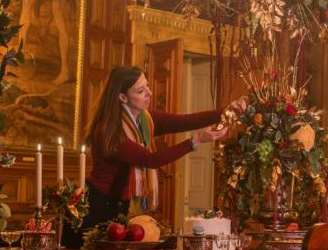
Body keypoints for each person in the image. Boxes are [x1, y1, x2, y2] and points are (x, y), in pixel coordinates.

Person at [84, 65, 244, 230]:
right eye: (140, 91)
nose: (149, 93)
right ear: (123, 97)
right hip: (97, 204)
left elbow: (185, 121)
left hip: (119, 202)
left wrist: (227, 111)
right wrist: (195, 141)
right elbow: (150, 160)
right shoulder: (109, 131)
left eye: (147, 86)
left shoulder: (145, 120)